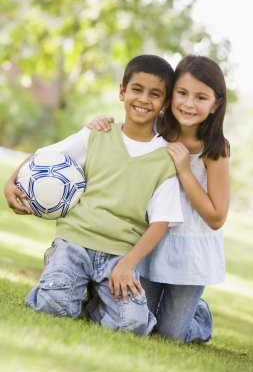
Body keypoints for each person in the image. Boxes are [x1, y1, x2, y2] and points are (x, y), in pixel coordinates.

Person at [4, 54, 184, 336]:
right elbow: (46, 156)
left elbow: (160, 223)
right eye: (137, 89)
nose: (144, 99)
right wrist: (11, 181)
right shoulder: (97, 134)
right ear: (122, 91)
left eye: (155, 94)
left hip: (119, 256)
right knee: (53, 306)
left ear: (164, 105)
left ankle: (91, 299)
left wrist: (128, 264)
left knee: (132, 325)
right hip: (74, 242)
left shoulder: (165, 159)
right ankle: (65, 278)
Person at [86, 55, 230, 343]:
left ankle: (198, 315)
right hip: (151, 241)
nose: (189, 104)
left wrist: (185, 171)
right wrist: (100, 122)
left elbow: (216, 218)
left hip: (191, 250)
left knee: (171, 334)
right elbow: (124, 134)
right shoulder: (158, 131)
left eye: (201, 97)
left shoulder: (215, 149)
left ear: (215, 104)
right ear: (171, 94)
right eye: (182, 93)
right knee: (144, 323)